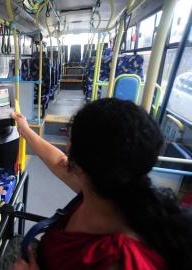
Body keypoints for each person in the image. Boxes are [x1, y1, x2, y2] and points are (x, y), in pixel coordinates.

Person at [11, 98, 192, 270]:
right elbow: (60, 163)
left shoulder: (118, 259)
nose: (67, 148)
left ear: (78, 159)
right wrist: (25, 130)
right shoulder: (108, 189)